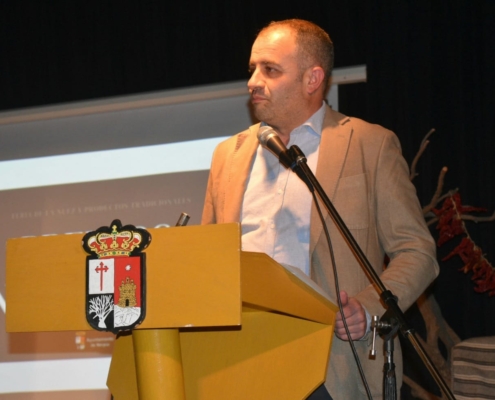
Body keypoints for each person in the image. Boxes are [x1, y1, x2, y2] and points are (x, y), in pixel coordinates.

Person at [202, 19, 439, 399]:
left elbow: (418, 252)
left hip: (334, 367)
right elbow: (208, 260)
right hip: (239, 362)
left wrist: (368, 308)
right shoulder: (227, 156)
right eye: (252, 69)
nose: (253, 82)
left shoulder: (369, 145)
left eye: (270, 69)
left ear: (313, 79)